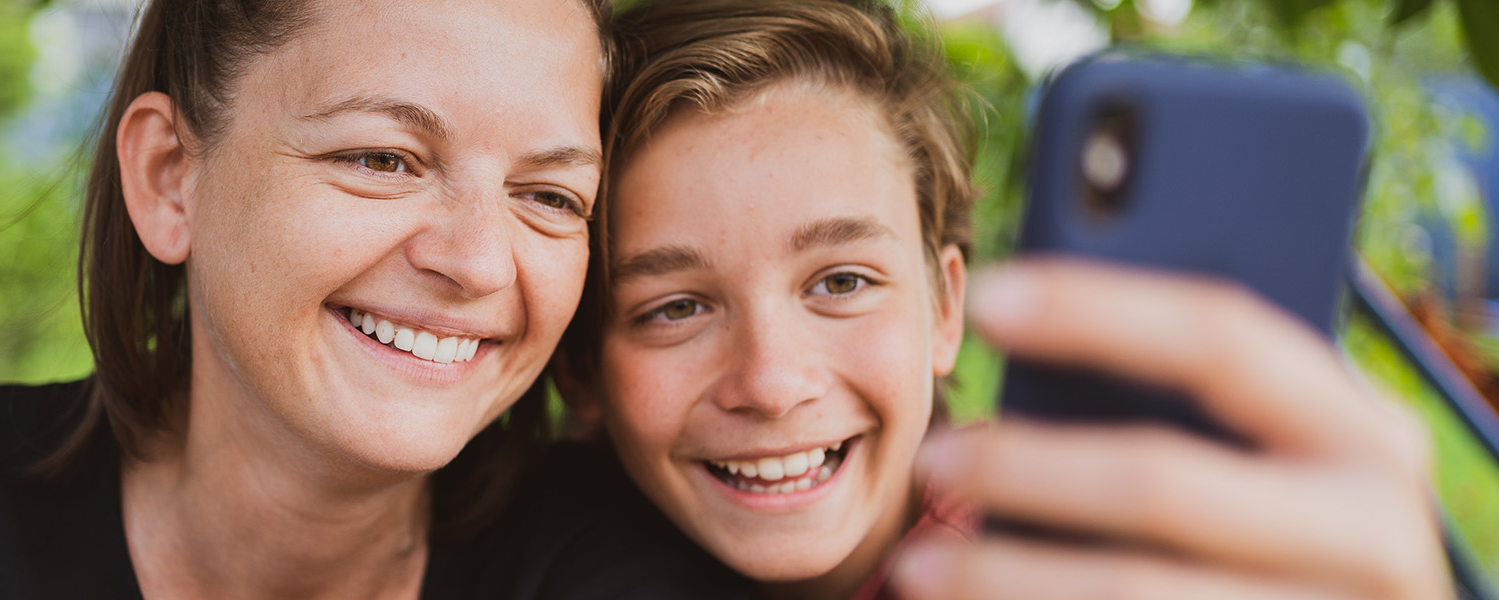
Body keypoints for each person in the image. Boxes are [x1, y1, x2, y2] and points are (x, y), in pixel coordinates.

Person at [0, 1, 747, 598]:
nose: (477, 261)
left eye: (550, 195)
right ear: (168, 177)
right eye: (382, 158)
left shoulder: (598, 564)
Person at [559, 0, 1453, 598]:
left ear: (948, 310)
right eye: (674, 307)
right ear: (584, 369)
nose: (771, 380)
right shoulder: (540, 551)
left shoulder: (1069, 562)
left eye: (841, 282)